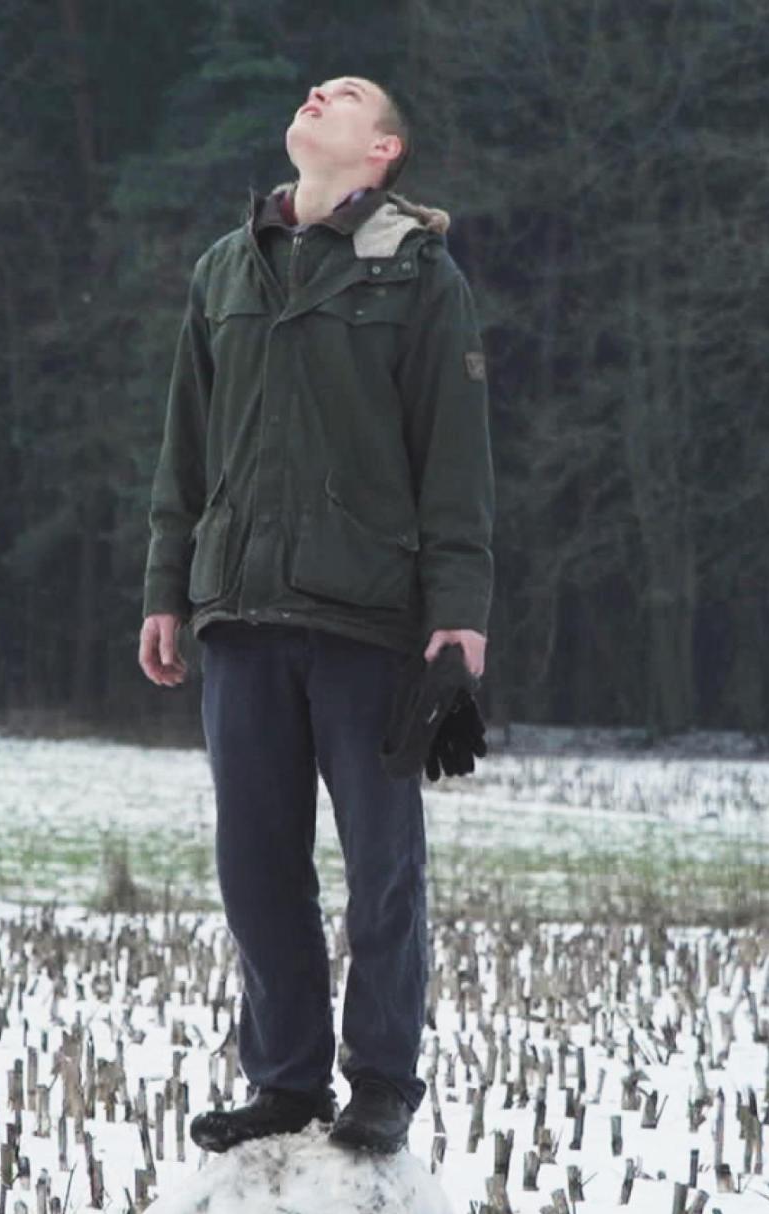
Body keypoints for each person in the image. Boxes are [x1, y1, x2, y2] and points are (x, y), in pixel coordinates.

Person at [135, 74, 494, 1156]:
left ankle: (381, 1080)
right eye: (311, 90)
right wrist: (165, 584)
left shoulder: (421, 276)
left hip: (370, 618)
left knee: (384, 867)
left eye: (344, 97)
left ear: (382, 152)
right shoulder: (225, 268)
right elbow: (183, 447)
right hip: (238, 611)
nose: (316, 95)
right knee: (255, 867)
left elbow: (456, 457)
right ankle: (285, 1082)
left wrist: (459, 616)